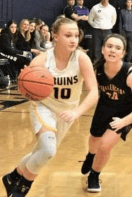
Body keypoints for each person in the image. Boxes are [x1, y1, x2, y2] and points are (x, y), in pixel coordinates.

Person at [2, 17, 99, 197]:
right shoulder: (42, 61)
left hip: (67, 112)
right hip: (43, 107)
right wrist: (25, 84)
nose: (73, 39)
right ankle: (22, 188)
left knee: (41, 152)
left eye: (76, 35)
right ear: (55, 36)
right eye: (68, 35)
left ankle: (12, 176)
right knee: (48, 149)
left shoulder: (81, 59)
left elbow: (94, 91)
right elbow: (26, 90)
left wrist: (77, 112)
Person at [81, 33, 132, 192]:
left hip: (125, 113)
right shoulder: (96, 69)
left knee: (104, 146)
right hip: (104, 106)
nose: (113, 50)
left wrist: (124, 122)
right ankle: (91, 156)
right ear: (103, 49)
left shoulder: (130, 74)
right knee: (94, 138)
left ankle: (94, 175)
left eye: (118, 48)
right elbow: (89, 90)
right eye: (109, 46)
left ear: (123, 53)